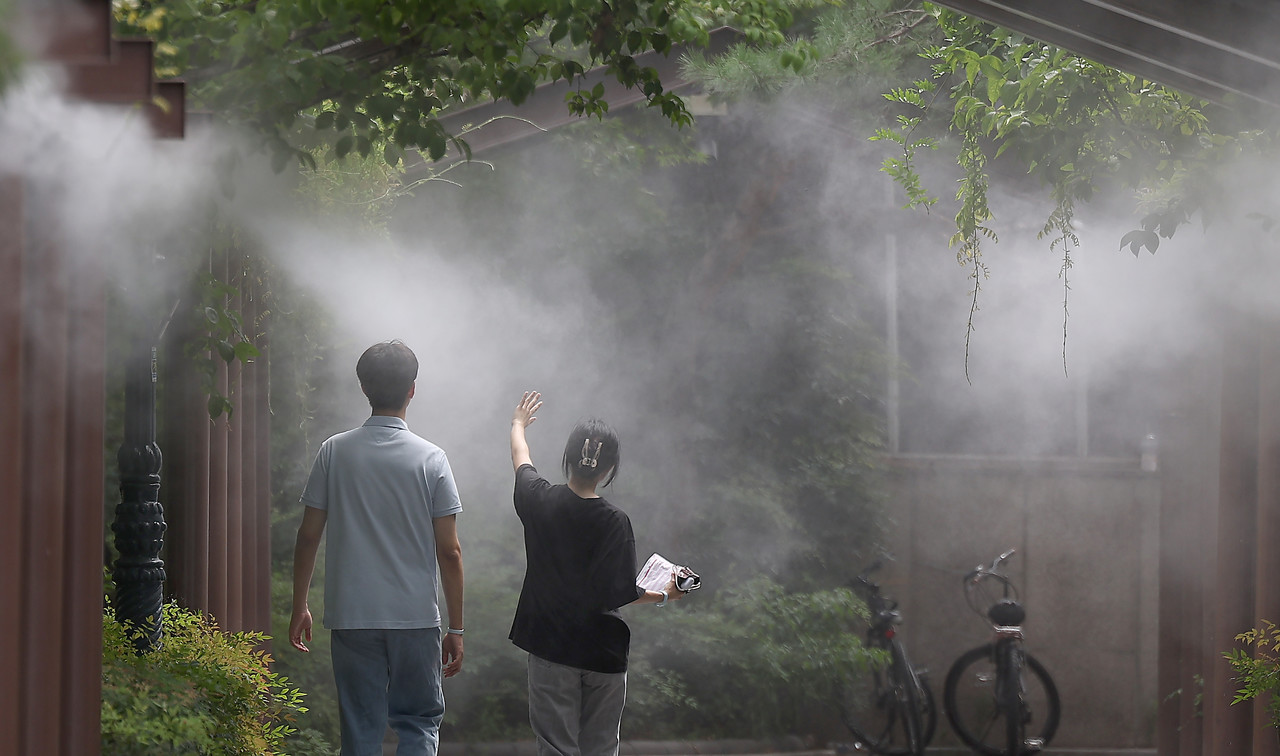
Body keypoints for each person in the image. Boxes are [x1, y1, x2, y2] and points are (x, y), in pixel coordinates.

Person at [289, 340, 465, 756]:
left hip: (352, 616)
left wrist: (300, 605)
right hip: (415, 617)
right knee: (418, 722)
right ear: (412, 389)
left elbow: (309, 535)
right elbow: (450, 552)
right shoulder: (432, 459)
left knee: (360, 728)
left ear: (364, 388)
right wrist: (456, 629)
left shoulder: (334, 451)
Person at [508, 390, 683, 756]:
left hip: (550, 647)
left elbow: (521, 458)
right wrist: (666, 593)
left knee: (556, 748)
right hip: (604, 653)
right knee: (601, 750)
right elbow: (621, 593)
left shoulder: (538, 499)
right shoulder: (615, 522)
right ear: (609, 469)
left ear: (569, 459)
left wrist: (518, 424)